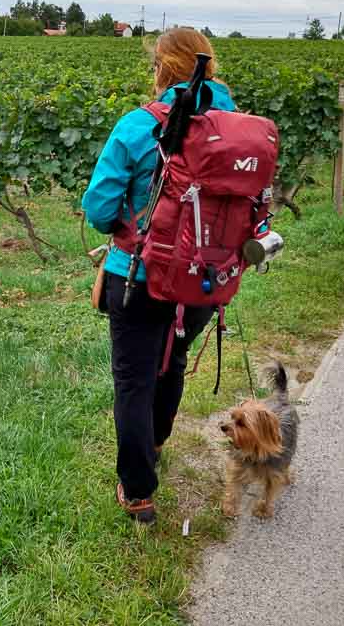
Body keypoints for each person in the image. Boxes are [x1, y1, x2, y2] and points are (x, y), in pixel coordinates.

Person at [81, 27, 236, 524]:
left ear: (164, 68)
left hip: (139, 277)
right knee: (173, 360)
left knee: (133, 380)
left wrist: (129, 225)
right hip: (205, 280)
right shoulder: (236, 127)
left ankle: (139, 490)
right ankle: (157, 443)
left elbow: (100, 208)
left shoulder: (137, 126)